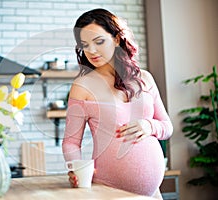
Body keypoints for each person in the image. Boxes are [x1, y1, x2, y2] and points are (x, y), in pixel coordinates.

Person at [62, 8, 173, 199]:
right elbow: (71, 142)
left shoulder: (145, 78)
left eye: (98, 42)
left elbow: (167, 126)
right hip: (107, 191)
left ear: (116, 39)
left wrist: (148, 125)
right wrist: (76, 169)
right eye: (85, 45)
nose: (92, 51)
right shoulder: (82, 86)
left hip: (153, 193)